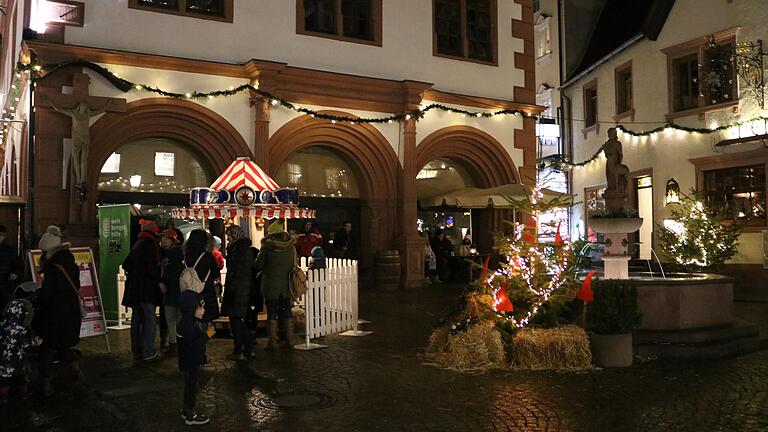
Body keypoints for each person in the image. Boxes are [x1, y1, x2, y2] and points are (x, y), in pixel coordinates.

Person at [34, 225, 82, 396]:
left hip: (54, 312)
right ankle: (74, 369)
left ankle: (46, 382)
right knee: (66, 343)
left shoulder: (52, 267)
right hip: (71, 311)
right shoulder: (70, 262)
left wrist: (38, 301)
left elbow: (48, 294)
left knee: (47, 346)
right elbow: (76, 285)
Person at [121, 219, 162, 361]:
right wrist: (159, 282)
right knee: (150, 320)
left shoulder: (137, 244)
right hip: (147, 289)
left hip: (134, 289)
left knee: (136, 319)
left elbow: (126, 264)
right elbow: (152, 267)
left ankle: (136, 350)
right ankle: (148, 352)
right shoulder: (151, 244)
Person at [256, 221, 297, 351]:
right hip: (286, 286)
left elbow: (259, 265)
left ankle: (272, 342)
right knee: (287, 311)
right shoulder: (291, 248)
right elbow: (292, 266)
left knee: (272, 312)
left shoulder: (267, 248)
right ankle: (289, 340)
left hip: (271, 286)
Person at [177, 289, 213, 426]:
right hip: (191, 362)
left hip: (189, 361)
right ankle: (190, 414)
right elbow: (194, 343)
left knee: (190, 386)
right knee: (192, 387)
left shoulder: (186, 323)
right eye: (200, 307)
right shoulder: (187, 325)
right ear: (191, 308)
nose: (203, 310)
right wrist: (207, 335)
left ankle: (186, 409)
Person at [220, 225, 256, 360]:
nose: (228, 238)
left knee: (236, 319)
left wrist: (232, 288)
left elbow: (236, 271)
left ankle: (239, 349)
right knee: (239, 319)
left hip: (237, 289)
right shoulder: (244, 249)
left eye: (229, 235)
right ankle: (248, 346)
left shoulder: (238, 250)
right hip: (243, 288)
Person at [0, 300, 39, 404]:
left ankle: (3, 397)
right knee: (21, 378)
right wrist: (35, 342)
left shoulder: (2, 325)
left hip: (2, 360)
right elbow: (26, 344)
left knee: (4, 380)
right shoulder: (19, 329)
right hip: (16, 360)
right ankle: (24, 394)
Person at [183, 230, 221, 326]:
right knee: (205, 317)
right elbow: (216, 273)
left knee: (192, 315)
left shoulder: (186, 256)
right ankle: (204, 337)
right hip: (206, 290)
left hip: (189, 290)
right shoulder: (207, 256)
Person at [160, 229, 184, 357]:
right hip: (180, 292)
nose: (163, 241)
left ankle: (173, 344)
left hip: (170, 293)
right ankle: (179, 344)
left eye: (165, 238)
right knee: (178, 320)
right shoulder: (183, 257)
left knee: (171, 320)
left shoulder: (167, 259)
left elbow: (166, 277)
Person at [0, 224, 22, 311]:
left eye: (2, 235)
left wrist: (15, 274)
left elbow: (18, 266)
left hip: (5, 288)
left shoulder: (10, 251)